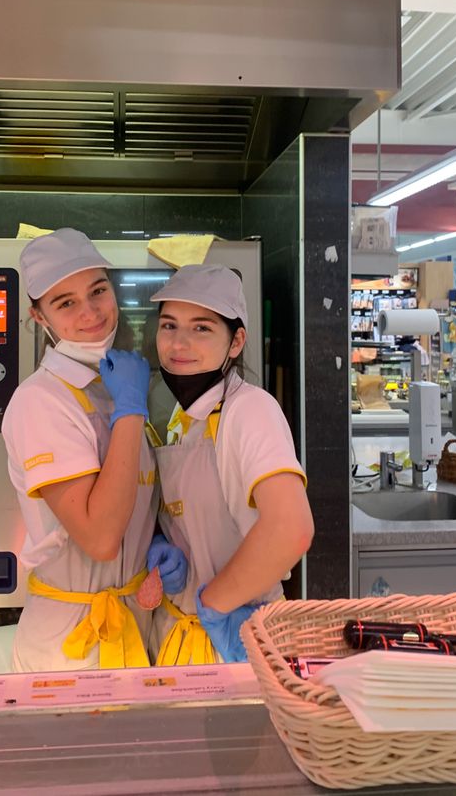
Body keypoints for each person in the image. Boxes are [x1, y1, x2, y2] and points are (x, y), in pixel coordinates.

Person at [2, 228, 186, 672]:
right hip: (72, 646)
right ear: (39, 317)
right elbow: (100, 538)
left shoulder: (113, 385)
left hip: (136, 621)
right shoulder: (41, 401)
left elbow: (127, 498)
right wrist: (130, 411)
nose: (90, 313)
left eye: (98, 291)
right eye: (66, 303)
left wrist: (155, 541)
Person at [148, 264, 315, 664]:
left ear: (236, 341)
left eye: (201, 328)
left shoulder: (250, 409)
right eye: (169, 325)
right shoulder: (182, 416)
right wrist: (167, 547)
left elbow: (291, 529)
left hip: (236, 640)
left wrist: (213, 603)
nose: (179, 343)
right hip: (179, 637)